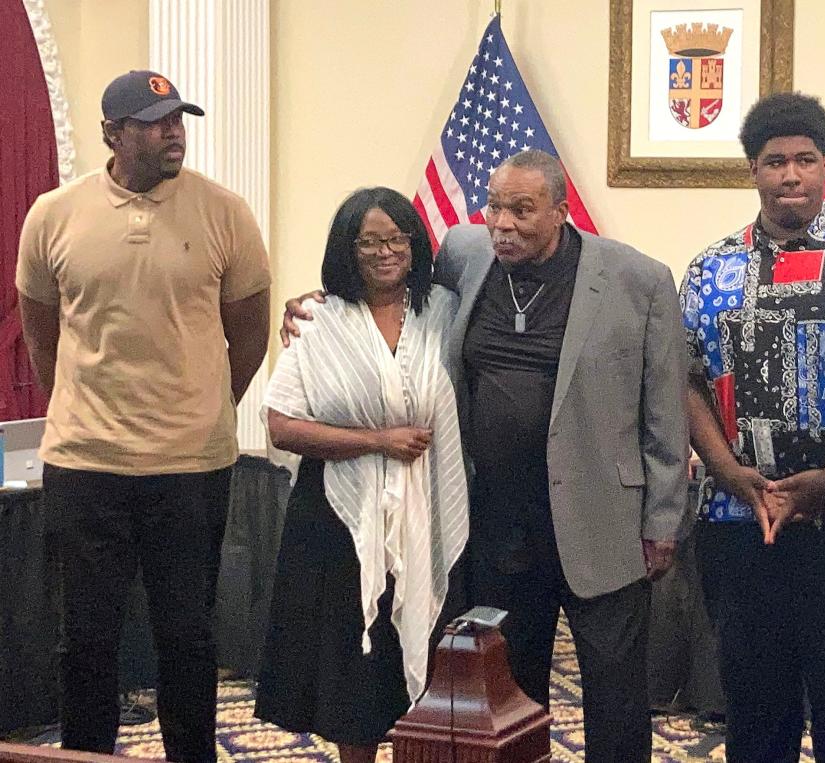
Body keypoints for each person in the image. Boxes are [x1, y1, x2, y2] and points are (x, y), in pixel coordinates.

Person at [282, 150, 688, 762]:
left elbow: (664, 414)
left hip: (603, 520)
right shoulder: (464, 255)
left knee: (614, 692)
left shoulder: (638, 278)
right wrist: (322, 301)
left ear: (561, 210)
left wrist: (662, 523)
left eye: (522, 210)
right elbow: (388, 286)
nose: (503, 222)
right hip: (498, 522)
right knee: (505, 689)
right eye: (494, 205)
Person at [16, 70, 270, 762]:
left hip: (190, 468)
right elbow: (41, 331)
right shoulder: (54, 215)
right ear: (111, 134)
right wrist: (79, 404)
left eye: (177, 119)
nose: (173, 132)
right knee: (87, 640)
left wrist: (206, 406)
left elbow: (249, 331)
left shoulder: (225, 213)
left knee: (188, 637)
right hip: (86, 465)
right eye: (154, 122)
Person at [680, 91, 825, 763]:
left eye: (806, 159)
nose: (791, 175)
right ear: (753, 170)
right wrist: (726, 470)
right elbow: (685, 380)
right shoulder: (713, 267)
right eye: (776, 161)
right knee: (753, 700)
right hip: (739, 518)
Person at [255, 187, 467, 763]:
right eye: (368, 241)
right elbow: (281, 426)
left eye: (395, 238)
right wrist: (376, 441)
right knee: (355, 668)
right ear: (347, 250)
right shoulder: (317, 320)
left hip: (425, 515)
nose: (382, 251)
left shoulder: (444, 312)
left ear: (415, 243)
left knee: (420, 656)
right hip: (336, 523)